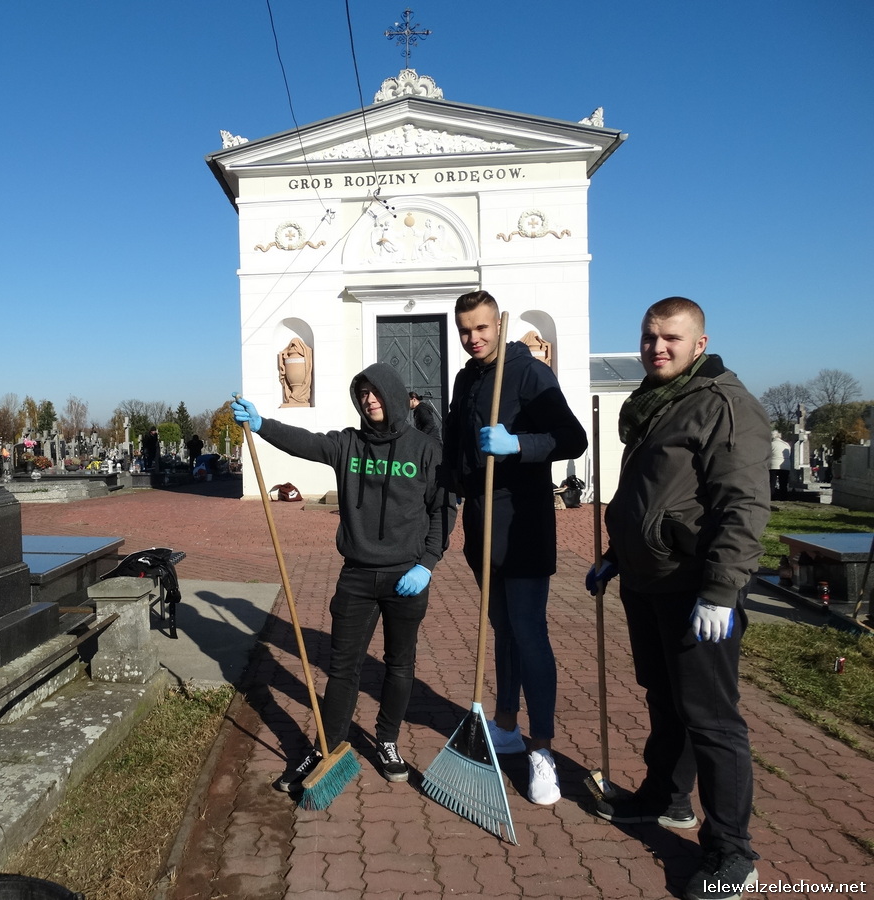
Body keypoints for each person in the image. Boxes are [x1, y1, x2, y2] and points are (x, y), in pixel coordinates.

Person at [587, 297, 770, 900]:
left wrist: (720, 591)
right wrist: (616, 554)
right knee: (664, 699)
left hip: (695, 589)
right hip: (647, 581)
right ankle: (666, 799)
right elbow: (653, 494)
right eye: (649, 337)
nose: (657, 347)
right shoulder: (657, 401)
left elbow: (743, 506)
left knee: (712, 719)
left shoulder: (723, 406)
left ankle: (732, 851)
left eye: (670, 337)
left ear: (699, 343)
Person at [231, 362, 451, 789]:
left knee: (399, 664)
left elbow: (443, 509)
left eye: (376, 392)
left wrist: (427, 563)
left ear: (393, 394)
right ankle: (327, 748)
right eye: (363, 393)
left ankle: (387, 740)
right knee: (343, 668)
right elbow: (306, 442)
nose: (369, 400)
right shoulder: (348, 444)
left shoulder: (426, 449)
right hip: (357, 577)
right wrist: (261, 425)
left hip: (407, 576)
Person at [441, 290, 587, 806]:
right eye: (464, 330)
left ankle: (542, 748)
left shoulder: (529, 374)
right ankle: (505, 724)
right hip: (482, 524)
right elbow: (455, 447)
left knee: (528, 631)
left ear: (499, 326)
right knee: (500, 627)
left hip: (523, 523)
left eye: (481, 328)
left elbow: (572, 438)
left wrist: (519, 445)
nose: (473, 338)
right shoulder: (466, 378)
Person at [769, 430, 791, 500]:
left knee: (772, 482)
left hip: (774, 465)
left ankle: (771, 496)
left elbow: (767, 454)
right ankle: (783, 497)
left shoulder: (771, 444)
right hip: (786, 466)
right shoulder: (786, 444)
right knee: (783, 483)